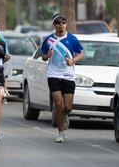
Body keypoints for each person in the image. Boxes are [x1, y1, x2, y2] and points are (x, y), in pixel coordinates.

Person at [41, 14, 84, 143]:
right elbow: (43, 56)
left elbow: (81, 53)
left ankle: (65, 116)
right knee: (58, 103)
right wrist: (47, 56)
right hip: (53, 74)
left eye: (63, 22)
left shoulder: (72, 39)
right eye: (58, 22)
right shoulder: (48, 40)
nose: (61, 24)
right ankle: (60, 133)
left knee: (68, 107)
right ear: (54, 24)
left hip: (68, 75)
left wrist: (73, 60)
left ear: (66, 24)